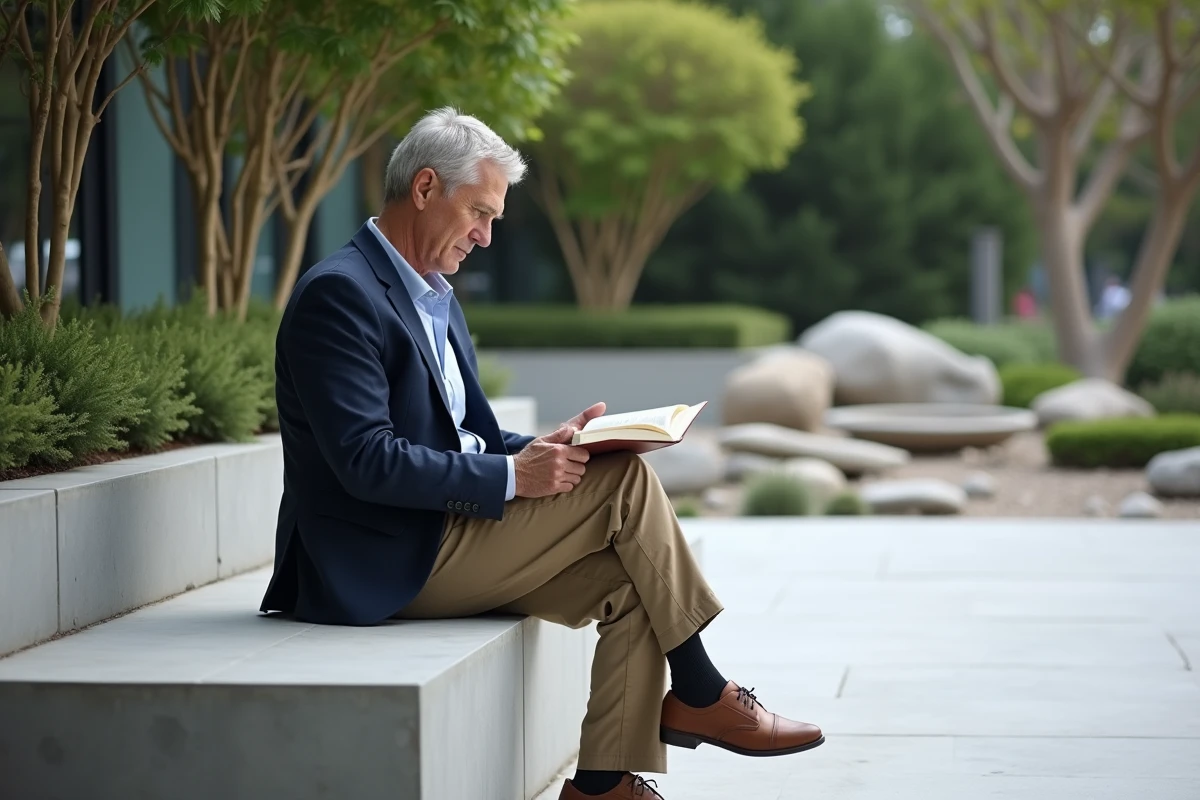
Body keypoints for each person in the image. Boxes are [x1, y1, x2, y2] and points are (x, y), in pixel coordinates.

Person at [260, 107, 824, 799]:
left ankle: (601, 784)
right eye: (479, 213)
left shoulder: (434, 295)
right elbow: (366, 460)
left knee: (631, 585)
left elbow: (467, 435)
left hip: (444, 532)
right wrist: (510, 477)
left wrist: (547, 448)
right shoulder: (339, 296)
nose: (487, 237)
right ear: (426, 187)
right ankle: (703, 688)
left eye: (494, 220)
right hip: (384, 556)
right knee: (624, 482)